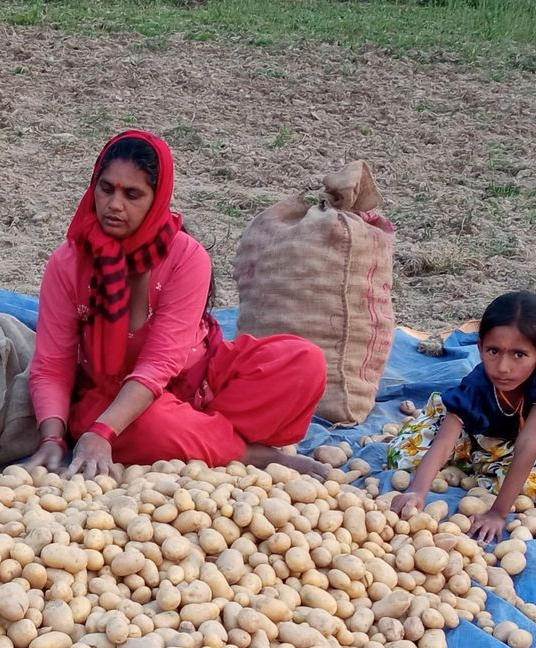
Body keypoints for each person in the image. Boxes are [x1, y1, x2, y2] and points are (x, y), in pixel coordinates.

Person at [25, 130, 328, 480]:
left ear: (157, 199)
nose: (114, 204)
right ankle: (245, 452)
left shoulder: (185, 257)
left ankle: (202, 435)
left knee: (305, 362)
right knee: (152, 426)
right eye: (106, 189)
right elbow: (52, 363)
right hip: (114, 397)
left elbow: (161, 361)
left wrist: (103, 434)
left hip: (201, 379)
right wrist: (53, 438)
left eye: (133, 194)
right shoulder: (70, 262)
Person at [385, 290, 536, 541]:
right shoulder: (476, 387)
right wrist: (417, 492)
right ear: (480, 347)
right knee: (406, 452)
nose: (504, 367)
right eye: (493, 351)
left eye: (519, 354)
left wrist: (498, 513)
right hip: (488, 432)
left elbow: (529, 442)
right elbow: (445, 440)